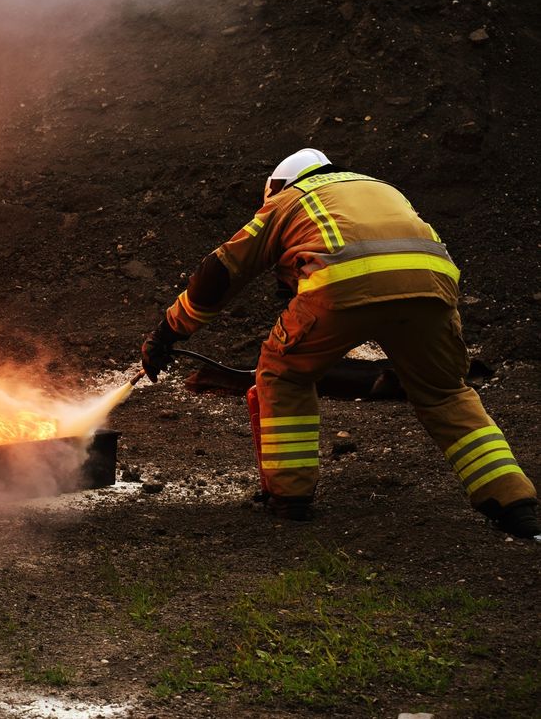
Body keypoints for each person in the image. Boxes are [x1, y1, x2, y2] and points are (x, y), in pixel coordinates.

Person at [140, 148, 539, 539]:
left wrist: (168, 332)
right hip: (432, 288)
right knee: (446, 394)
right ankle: (513, 503)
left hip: (341, 285)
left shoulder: (288, 200)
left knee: (283, 373)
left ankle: (290, 497)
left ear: (279, 186)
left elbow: (221, 272)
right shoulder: (381, 189)